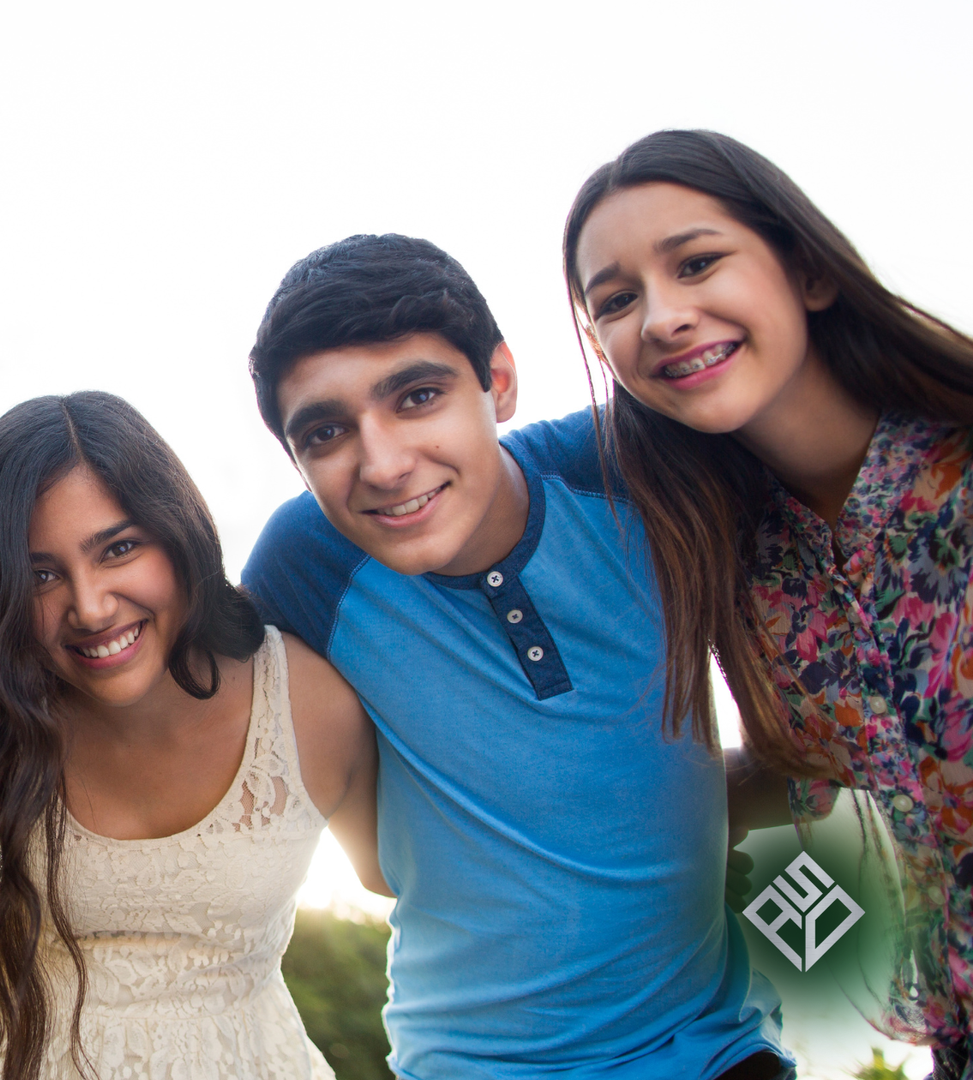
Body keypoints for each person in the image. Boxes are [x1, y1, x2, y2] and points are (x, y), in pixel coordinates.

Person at [239, 233, 791, 1079]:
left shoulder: (638, 468)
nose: (383, 463)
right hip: (476, 1064)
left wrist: (715, 787)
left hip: (715, 1050)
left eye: (418, 395)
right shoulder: (304, 568)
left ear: (498, 380)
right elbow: (375, 861)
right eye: (325, 433)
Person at [563, 129, 973, 1077]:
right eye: (616, 302)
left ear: (808, 272)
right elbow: (804, 762)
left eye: (698, 261)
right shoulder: (732, 564)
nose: (661, 317)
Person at [0, 390, 379, 1080]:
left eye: (117, 548)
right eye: (41, 573)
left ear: (177, 534)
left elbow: (406, 883)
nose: (89, 606)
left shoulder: (307, 700)